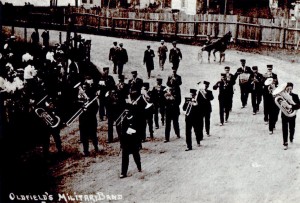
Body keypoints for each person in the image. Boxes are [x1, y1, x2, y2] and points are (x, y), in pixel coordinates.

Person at [79, 76, 99, 156]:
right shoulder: (80, 97)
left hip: (91, 118)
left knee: (93, 134)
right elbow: (77, 106)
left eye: (84, 88)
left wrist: (90, 111)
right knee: (84, 136)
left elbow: (96, 107)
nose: (83, 90)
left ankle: (96, 147)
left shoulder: (92, 95)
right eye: (82, 88)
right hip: (83, 118)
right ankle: (86, 151)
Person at [119, 105, 142, 178]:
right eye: (125, 111)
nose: (126, 113)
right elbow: (122, 132)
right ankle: (123, 172)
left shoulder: (136, 119)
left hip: (134, 141)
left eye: (127, 111)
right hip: (126, 141)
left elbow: (139, 130)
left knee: (136, 156)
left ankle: (139, 167)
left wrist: (133, 132)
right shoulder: (124, 120)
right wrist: (122, 142)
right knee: (125, 157)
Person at [280, 82, 300, 150]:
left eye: (290, 88)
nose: (289, 89)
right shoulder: (282, 96)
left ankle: (291, 137)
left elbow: (298, 106)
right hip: (284, 114)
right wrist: (282, 104)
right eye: (287, 88)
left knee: (292, 128)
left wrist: (290, 106)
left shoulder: (295, 96)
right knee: (284, 129)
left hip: (292, 115)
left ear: (292, 88)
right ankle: (285, 143)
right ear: (285, 88)